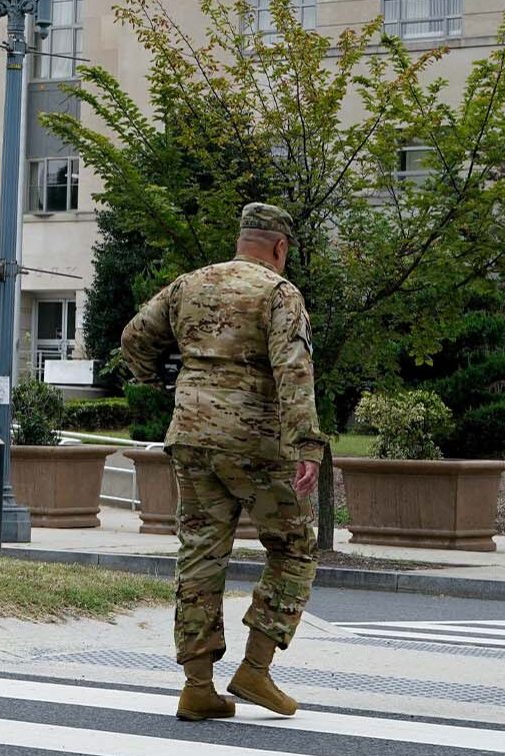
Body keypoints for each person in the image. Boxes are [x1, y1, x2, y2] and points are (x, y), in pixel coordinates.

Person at [120, 202, 326, 721]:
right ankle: (255, 669)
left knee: (200, 556)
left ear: (241, 241)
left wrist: (161, 382)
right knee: (294, 547)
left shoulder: (188, 285)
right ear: (280, 247)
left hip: (190, 437)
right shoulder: (279, 293)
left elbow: (133, 338)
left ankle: (197, 687)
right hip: (256, 444)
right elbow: (294, 369)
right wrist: (307, 444)